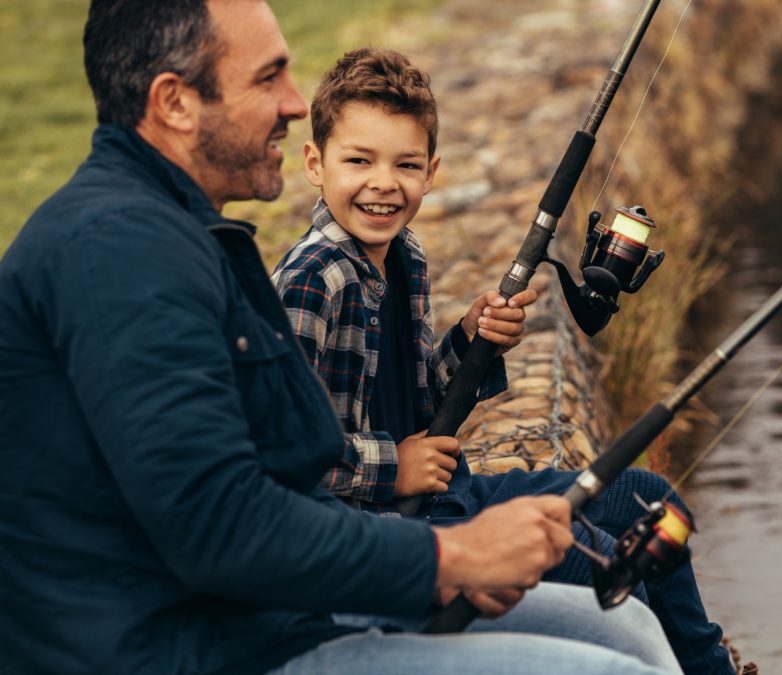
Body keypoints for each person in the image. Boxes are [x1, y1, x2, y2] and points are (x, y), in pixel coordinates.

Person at [0, 2, 683, 674]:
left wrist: (436, 551)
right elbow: (220, 522)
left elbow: (275, 473)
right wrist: (451, 557)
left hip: (270, 611)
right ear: (175, 101)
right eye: (269, 78)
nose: (296, 103)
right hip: (196, 645)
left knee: (624, 624)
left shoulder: (178, 235)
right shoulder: (120, 254)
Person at [272, 47, 737, 675]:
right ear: (314, 164)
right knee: (590, 554)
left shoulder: (403, 253)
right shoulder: (311, 282)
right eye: (359, 160)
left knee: (651, 502)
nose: (384, 183)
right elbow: (285, 456)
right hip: (381, 535)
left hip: (446, 496)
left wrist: (469, 340)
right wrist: (395, 467)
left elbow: (419, 401)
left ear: (432, 171)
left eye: (406, 164)